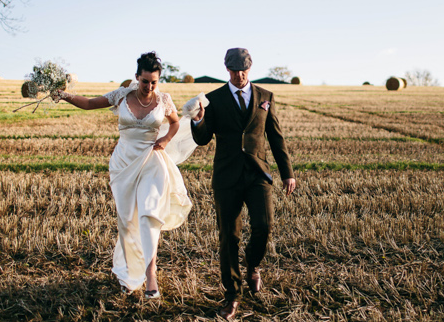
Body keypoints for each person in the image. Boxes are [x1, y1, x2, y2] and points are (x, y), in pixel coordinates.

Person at [54, 52, 196, 299]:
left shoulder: (164, 100)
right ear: (136, 78)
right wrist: (63, 95)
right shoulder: (121, 96)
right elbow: (89, 103)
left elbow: (174, 123)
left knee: (149, 214)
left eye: (154, 82)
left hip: (152, 162)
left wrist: (165, 138)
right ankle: (131, 273)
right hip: (123, 164)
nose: (149, 87)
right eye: (145, 82)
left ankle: (151, 273)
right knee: (128, 221)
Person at [190, 47, 296, 320]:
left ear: (250, 68)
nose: (239, 75)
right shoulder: (213, 100)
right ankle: (232, 296)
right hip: (227, 176)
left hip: (258, 173)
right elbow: (202, 140)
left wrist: (287, 173)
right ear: (226, 69)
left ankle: (253, 264)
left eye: (244, 70)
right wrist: (199, 120)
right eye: (234, 70)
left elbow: (276, 137)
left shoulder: (266, 97)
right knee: (229, 238)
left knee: (264, 225)